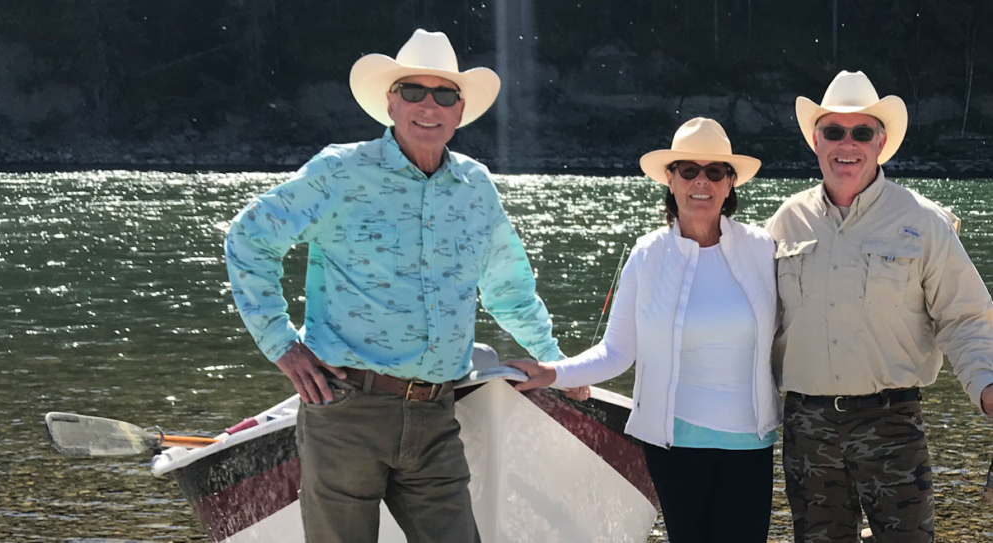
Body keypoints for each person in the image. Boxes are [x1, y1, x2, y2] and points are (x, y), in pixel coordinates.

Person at [224, 29, 567, 543]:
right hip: (344, 412)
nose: (428, 106)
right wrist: (282, 347)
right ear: (390, 101)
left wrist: (555, 361)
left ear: (459, 109)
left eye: (444, 95)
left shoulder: (477, 188)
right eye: (413, 91)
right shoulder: (341, 171)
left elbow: (508, 287)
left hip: (436, 415)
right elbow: (249, 238)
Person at [509, 117, 782, 543]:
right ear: (670, 180)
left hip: (750, 444)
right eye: (689, 170)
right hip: (673, 445)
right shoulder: (647, 254)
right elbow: (617, 351)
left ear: (730, 184)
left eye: (714, 172)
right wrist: (553, 373)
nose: (701, 182)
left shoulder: (763, 248)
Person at [767, 70, 993, 542]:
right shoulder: (784, 223)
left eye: (861, 132)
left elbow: (966, 318)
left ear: (880, 141)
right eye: (833, 131)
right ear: (816, 139)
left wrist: (988, 388)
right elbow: (752, 324)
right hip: (806, 427)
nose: (846, 143)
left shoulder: (924, 223)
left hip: (891, 423)